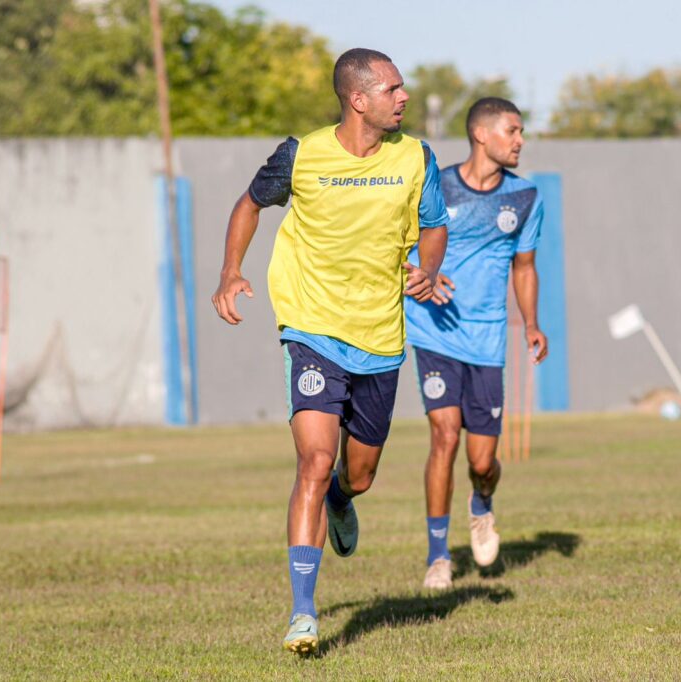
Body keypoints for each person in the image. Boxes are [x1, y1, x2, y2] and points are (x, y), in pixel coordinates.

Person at [210, 48, 449, 655]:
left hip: (381, 337)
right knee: (313, 461)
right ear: (357, 98)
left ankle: (344, 499)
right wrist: (230, 271)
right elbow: (248, 204)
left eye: (403, 87)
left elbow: (434, 222)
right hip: (311, 329)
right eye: (393, 88)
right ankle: (302, 614)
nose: (404, 97)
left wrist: (428, 266)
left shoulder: (417, 157)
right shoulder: (301, 154)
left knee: (357, 475)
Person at [404, 97, 547, 590]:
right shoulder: (435, 186)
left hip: (487, 340)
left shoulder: (526, 197)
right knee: (444, 435)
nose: (520, 140)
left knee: (482, 462)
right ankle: (439, 556)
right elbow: (393, 247)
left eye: (521, 131)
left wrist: (531, 323)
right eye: (513, 130)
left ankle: (482, 504)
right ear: (481, 134)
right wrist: (419, 274)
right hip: (433, 329)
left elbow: (524, 267)